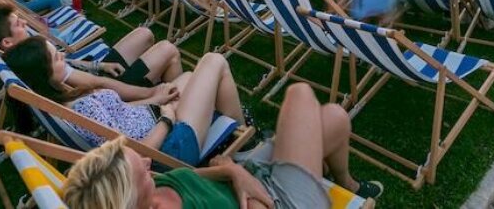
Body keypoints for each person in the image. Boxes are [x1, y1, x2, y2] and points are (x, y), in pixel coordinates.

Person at [61, 83, 383, 208]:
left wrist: (232, 171)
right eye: (142, 171)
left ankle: (346, 183)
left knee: (333, 116)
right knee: (307, 99)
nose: (149, 163)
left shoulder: (155, 188)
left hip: (251, 176)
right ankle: (342, 185)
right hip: (279, 201)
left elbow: (205, 172)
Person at [5, 37, 245, 166]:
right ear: (44, 74)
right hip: (168, 152)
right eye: (58, 58)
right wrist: (167, 119)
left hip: (154, 122)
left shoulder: (62, 99)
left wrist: (154, 98)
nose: (64, 57)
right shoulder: (81, 109)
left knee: (188, 78)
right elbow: (135, 153)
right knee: (213, 61)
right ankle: (243, 141)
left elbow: (115, 116)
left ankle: (227, 127)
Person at [0, 6, 183, 87]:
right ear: (7, 42)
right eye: (18, 24)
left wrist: (100, 66)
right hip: (112, 93)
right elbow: (98, 85)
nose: (25, 23)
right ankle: (175, 99)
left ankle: (157, 76)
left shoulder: (25, 55)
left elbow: (71, 64)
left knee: (144, 34)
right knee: (168, 49)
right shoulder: (39, 63)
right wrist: (152, 96)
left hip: (99, 76)